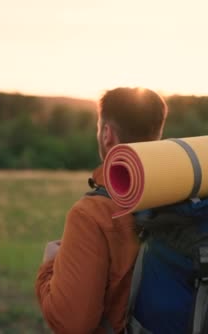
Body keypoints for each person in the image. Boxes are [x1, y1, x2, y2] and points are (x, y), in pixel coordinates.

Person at [35, 87, 168, 333]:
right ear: (157, 133)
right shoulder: (179, 195)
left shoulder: (91, 215)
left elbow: (73, 324)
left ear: (107, 134)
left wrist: (49, 268)